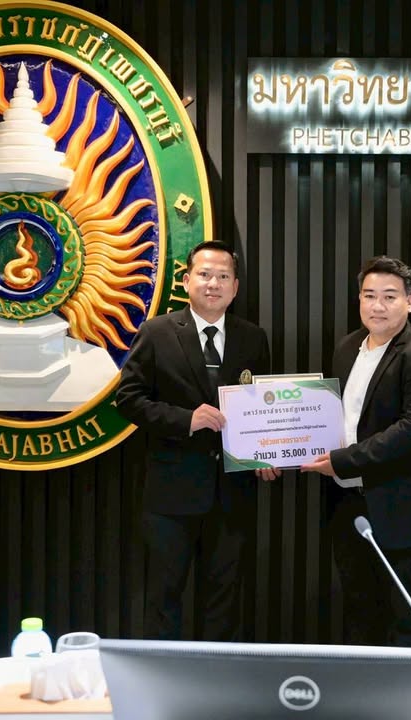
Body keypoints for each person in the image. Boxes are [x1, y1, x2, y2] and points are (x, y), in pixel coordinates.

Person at [115, 240, 278, 641]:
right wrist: (186, 419)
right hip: (171, 493)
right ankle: (162, 676)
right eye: (205, 275)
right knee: (163, 597)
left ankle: (216, 675)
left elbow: (264, 406)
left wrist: (267, 453)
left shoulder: (253, 338)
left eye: (223, 276)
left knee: (224, 600)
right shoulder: (157, 332)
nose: (213, 284)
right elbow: (128, 399)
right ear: (187, 281)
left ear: (235, 287)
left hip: (233, 493)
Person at [301, 256, 411, 647]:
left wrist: (341, 461)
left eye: (389, 296)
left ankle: (409, 689)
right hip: (347, 504)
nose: (377, 306)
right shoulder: (347, 347)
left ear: (410, 302)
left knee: (406, 617)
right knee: (358, 609)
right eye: (369, 296)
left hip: (399, 506)